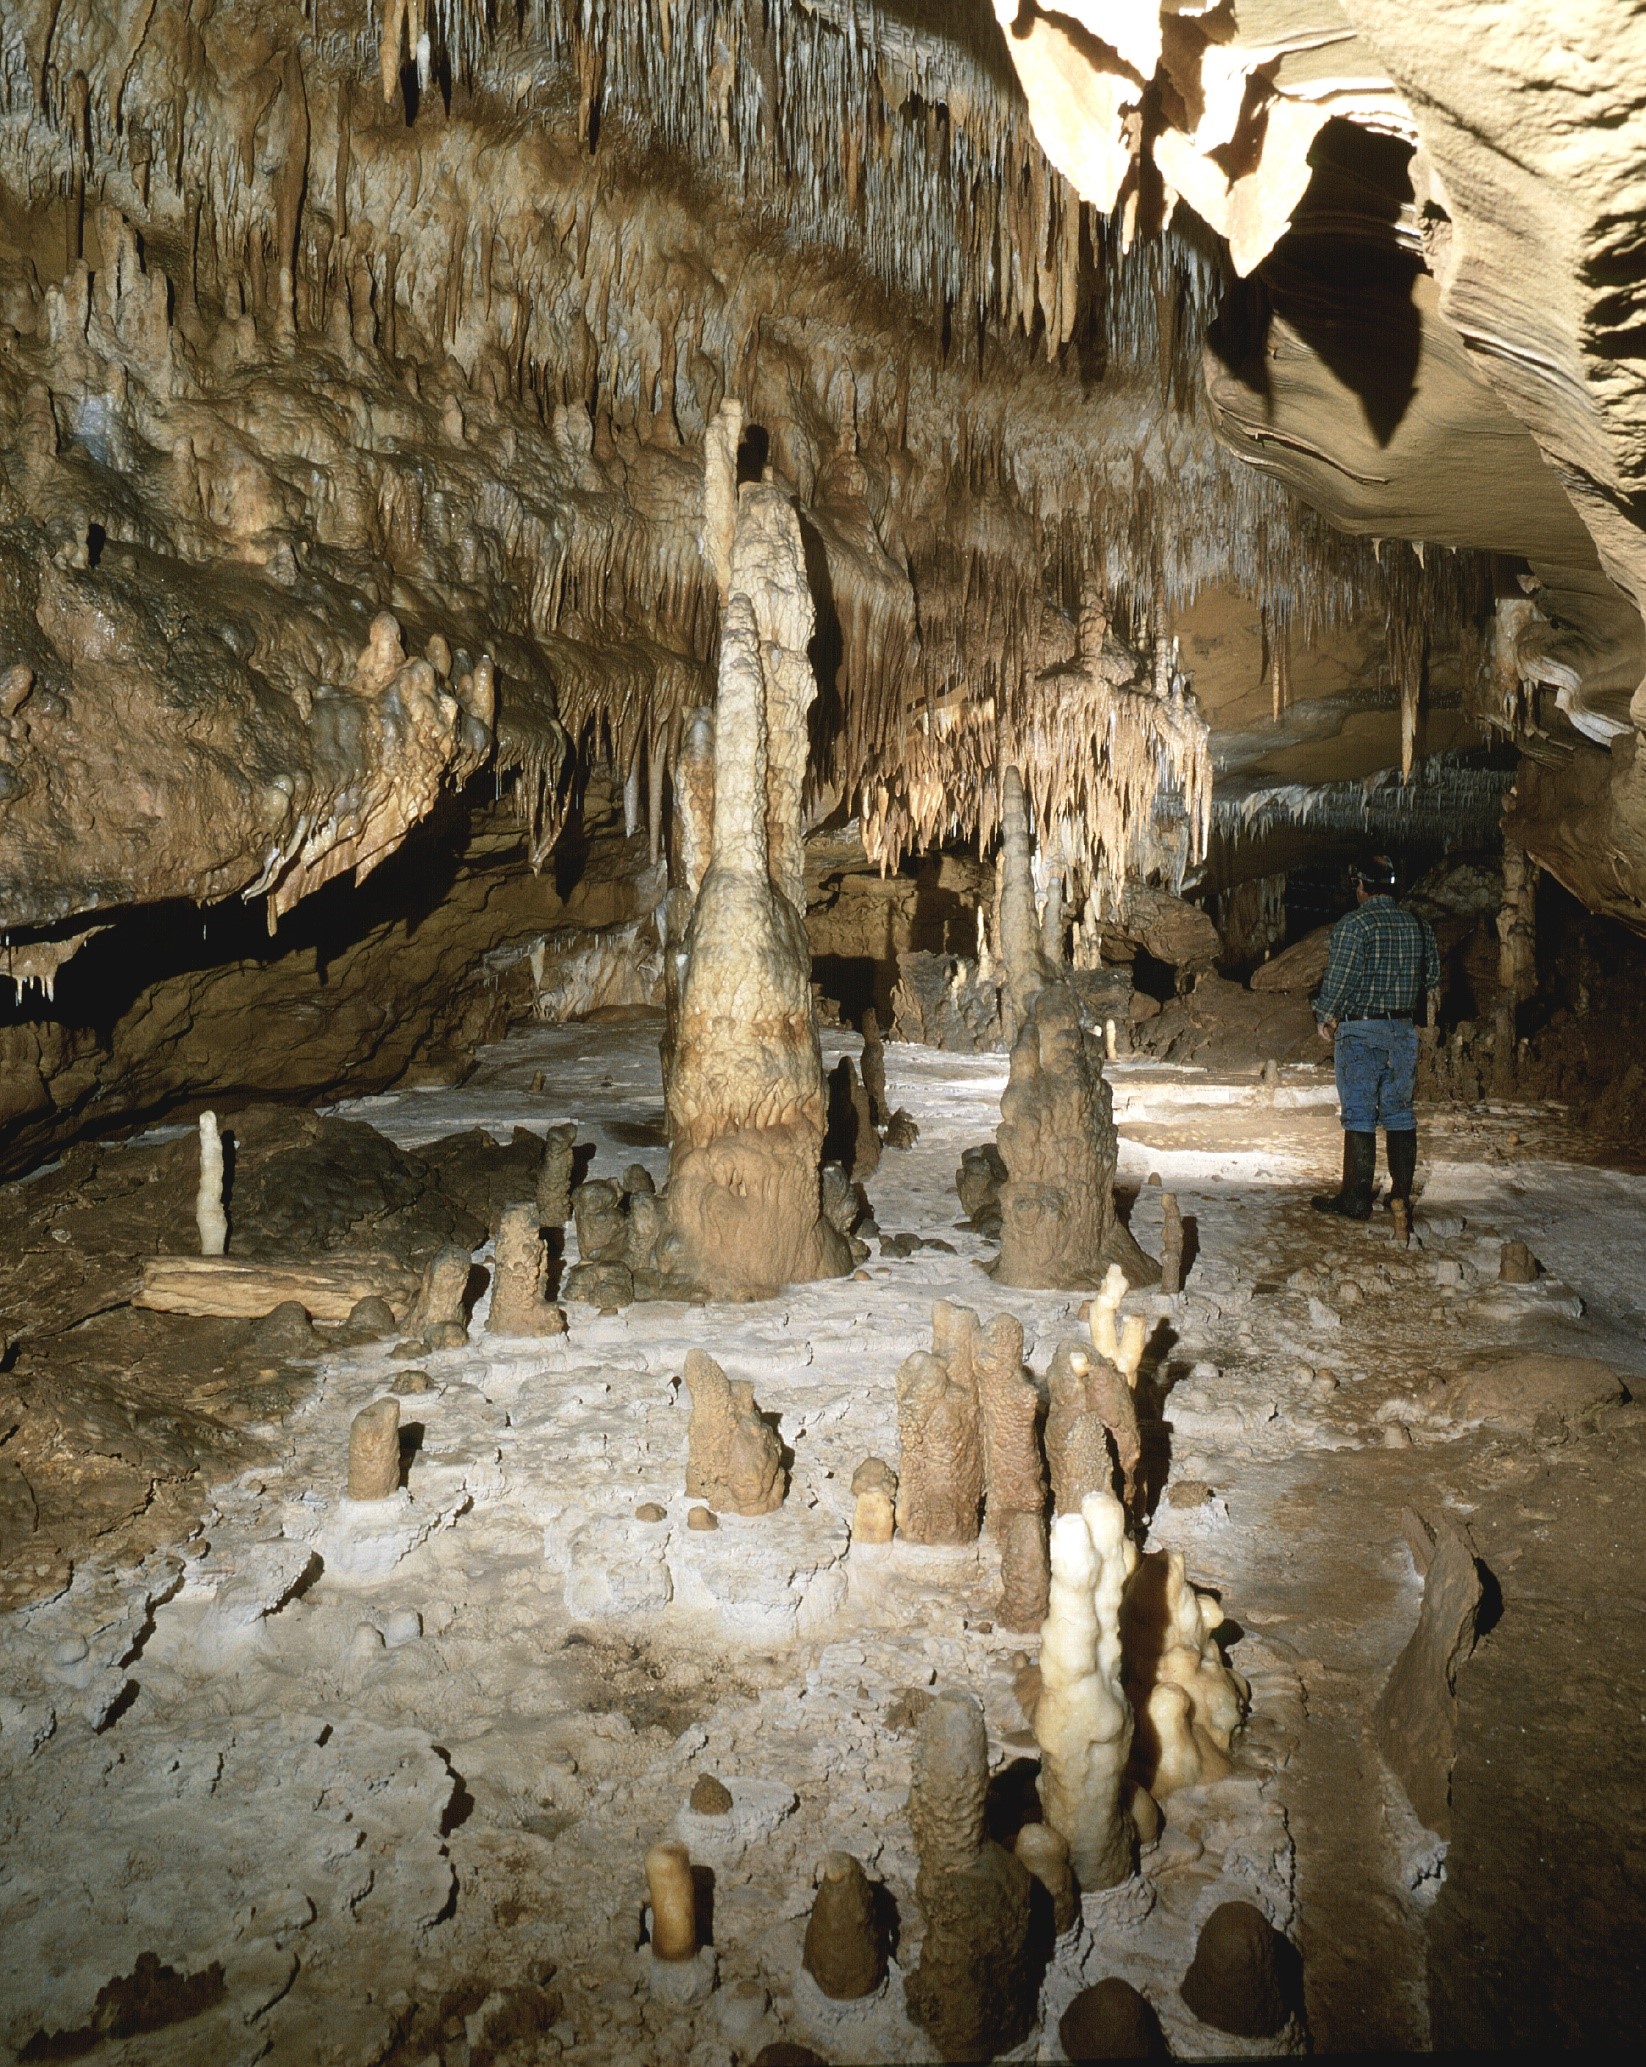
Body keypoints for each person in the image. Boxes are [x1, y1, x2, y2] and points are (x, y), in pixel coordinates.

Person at [1310, 855, 1441, 1221]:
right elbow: (1431, 979)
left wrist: (1325, 1015)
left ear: (1362, 886)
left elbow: (1340, 978)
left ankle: (1355, 1198)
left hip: (1361, 1032)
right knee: (1400, 1113)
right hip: (1402, 1031)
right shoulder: (1418, 925)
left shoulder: (1355, 925)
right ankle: (1400, 1196)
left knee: (1360, 1116)